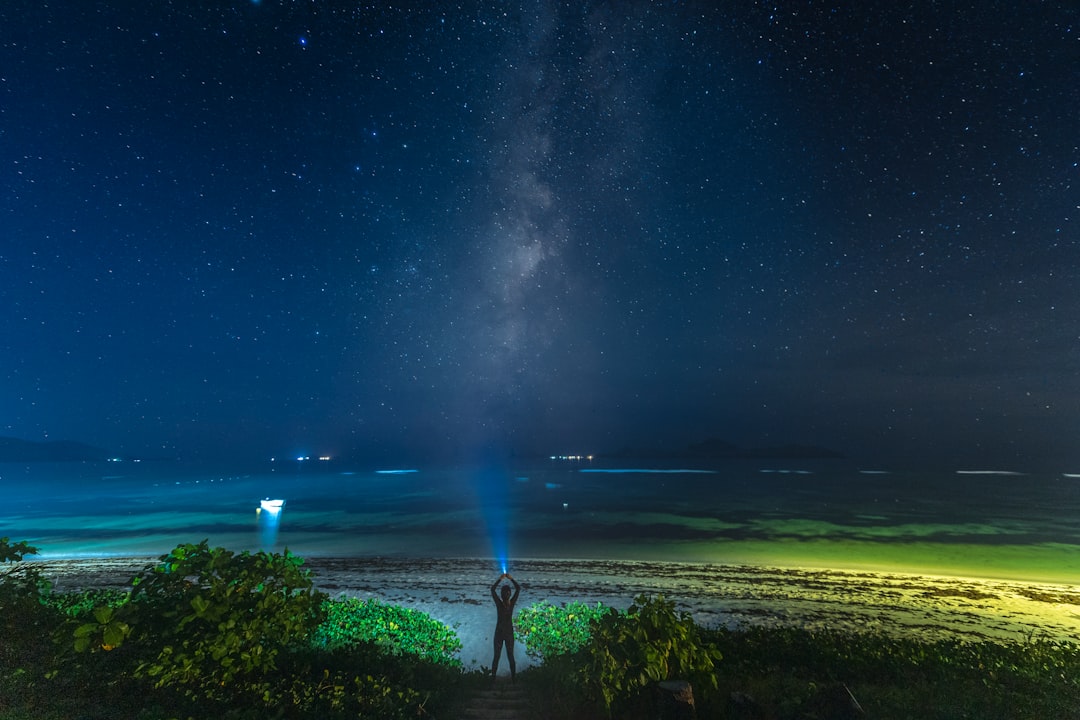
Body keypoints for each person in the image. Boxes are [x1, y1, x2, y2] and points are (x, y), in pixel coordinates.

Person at [490, 571, 521, 681]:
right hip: (503, 633)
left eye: (507, 593)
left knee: (508, 657)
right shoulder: (504, 603)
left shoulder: (505, 603)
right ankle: (510, 680)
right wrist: (508, 578)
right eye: (506, 593)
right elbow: (518, 588)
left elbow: (518, 589)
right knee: (500, 657)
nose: (507, 594)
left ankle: (512, 679)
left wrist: (503, 578)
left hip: (503, 633)